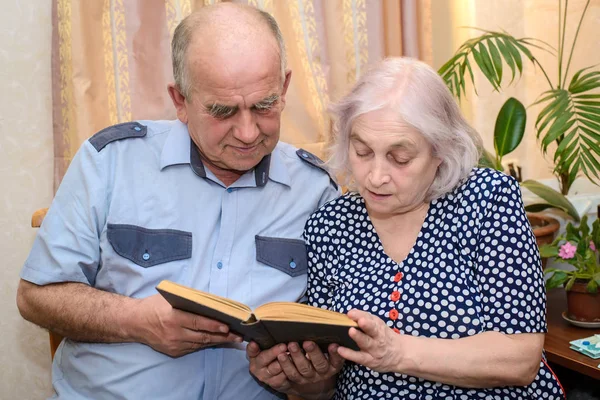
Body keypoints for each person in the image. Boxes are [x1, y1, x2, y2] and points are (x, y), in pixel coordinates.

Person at [16, 3, 341, 399]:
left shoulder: (317, 191)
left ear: (284, 88)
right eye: (223, 111)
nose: (247, 131)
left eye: (264, 105)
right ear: (180, 100)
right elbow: (36, 296)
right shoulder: (111, 162)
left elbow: (326, 363)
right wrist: (136, 321)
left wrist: (308, 378)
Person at [250, 57, 566, 399]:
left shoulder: (486, 200)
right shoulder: (330, 225)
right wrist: (301, 376)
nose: (375, 176)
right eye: (362, 151)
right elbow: (327, 383)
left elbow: (520, 359)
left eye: (400, 158)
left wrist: (397, 353)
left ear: (440, 151)